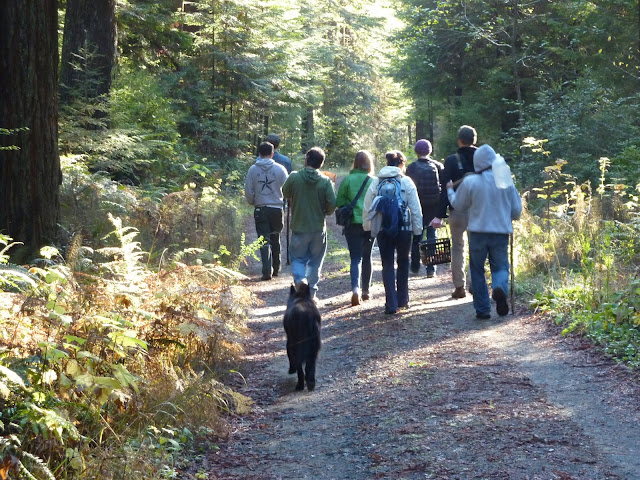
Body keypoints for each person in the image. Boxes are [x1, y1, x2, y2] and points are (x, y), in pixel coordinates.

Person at [446, 144, 522, 319]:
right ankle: (499, 287)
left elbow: (458, 205)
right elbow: (516, 211)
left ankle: (482, 309)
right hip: (501, 232)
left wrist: (450, 190)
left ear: (477, 162)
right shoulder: (505, 181)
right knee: (501, 266)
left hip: (477, 232)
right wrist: (506, 215)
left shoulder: (470, 182)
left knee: (477, 269)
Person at [363, 151, 423, 315]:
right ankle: (403, 300)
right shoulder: (406, 181)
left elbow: (368, 206)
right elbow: (416, 209)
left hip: (383, 229)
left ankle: (391, 304)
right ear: (401, 164)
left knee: (387, 264)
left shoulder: (376, 182)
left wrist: (368, 228)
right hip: (404, 229)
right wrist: (417, 231)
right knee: (403, 262)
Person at [282, 147, 336, 301]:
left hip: (299, 226)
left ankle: (300, 281)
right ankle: (311, 294)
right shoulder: (325, 181)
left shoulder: (294, 177)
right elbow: (332, 204)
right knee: (315, 261)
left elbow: (285, 192)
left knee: (298, 258)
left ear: (306, 160)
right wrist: (325, 211)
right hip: (318, 228)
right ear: (321, 163)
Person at [431, 125, 478, 299]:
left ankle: (459, 287)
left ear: (459, 140)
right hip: (478, 210)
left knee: (458, 248)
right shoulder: (483, 158)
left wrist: (438, 214)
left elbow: (444, 189)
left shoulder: (451, 160)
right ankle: (476, 284)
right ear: (474, 140)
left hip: (457, 210)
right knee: (476, 247)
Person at [336, 150, 375, 306]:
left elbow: (339, 202)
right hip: (369, 223)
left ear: (355, 163)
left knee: (355, 258)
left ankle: (355, 290)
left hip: (352, 223)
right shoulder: (374, 180)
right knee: (367, 257)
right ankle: (366, 291)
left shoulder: (347, 180)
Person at [245, 141, 289, 280]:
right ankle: (276, 268)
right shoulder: (280, 169)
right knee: (275, 237)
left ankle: (266, 270)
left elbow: (248, 190)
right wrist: (285, 202)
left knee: (263, 239)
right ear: (272, 153)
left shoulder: (252, 170)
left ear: (259, 154)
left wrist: (253, 201)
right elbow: (287, 189)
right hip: (276, 208)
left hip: (260, 209)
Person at [406, 139, 444, 278]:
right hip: (434, 205)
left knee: (417, 235)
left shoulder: (411, 167)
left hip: (417, 205)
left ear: (416, 152)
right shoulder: (438, 166)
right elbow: (444, 187)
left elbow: (408, 188)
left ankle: (415, 267)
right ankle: (431, 269)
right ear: (429, 151)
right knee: (432, 235)